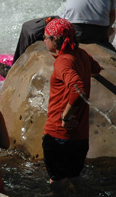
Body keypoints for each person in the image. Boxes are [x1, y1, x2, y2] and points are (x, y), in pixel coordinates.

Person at [0, 0, 116, 78]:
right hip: (99, 33)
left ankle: (13, 71)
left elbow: (70, 4)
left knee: (28, 28)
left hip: (73, 30)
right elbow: (112, 15)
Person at [41, 18, 101, 192]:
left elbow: (78, 89)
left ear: (55, 40)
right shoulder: (81, 54)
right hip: (80, 136)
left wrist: (65, 116)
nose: (44, 40)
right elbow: (96, 69)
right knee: (75, 179)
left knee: (57, 182)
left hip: (59, 136)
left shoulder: (63, 61)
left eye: (46, 37)